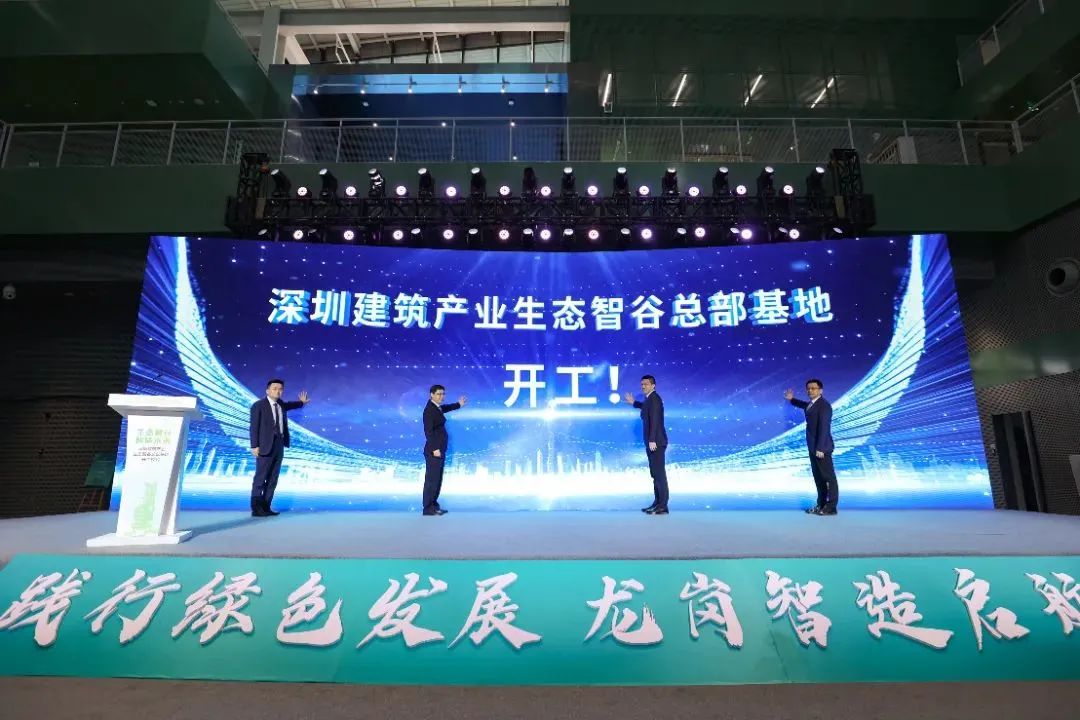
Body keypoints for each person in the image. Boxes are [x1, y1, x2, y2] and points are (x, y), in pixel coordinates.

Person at [249, 379, 309, 517]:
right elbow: (254, 427)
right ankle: (257, 509)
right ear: (268, 391)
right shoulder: (258, 405)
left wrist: (301, 403)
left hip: (279, 445)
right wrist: (254, 445)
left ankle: (266, 507)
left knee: (273, 478)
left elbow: (289, 405)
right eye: (274, 388)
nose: (278, 391)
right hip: (264, 446)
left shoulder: (280, 404)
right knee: (260, 478)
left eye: (280, 389)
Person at [784, 379, 837, 515]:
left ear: (820, 390)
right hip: (813, 448)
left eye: (813, 388)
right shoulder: (812, 404)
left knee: (828, 478)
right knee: (819, 478)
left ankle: (831, 507)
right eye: (808, 388)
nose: (810, 390)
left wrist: (820, 448)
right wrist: (792, 399)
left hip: (821, 449)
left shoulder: (824, 406)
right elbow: (804, 405)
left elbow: (824, 428)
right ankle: (821, 505)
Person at [624, 374, 669, 514]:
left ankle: (663, 505)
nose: (643, 386)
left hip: (656, 442)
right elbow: (646, 407)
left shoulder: (654, 398)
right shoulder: (650, 399)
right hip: (653, 442)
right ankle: (658, 503)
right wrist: (634, 403)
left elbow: (655, 420)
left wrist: (652, 439)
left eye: (646, 384)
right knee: (655, 474)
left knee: (659, 475)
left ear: (653, 385)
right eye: (642, 384)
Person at [422, 384, 467, 516]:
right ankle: (428, 508)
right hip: (434, 451)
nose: (441, 396)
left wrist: (458, 404)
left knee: (437, 479)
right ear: (431, 394)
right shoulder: (429, 410)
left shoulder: (436, 407)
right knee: (431, 480)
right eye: (438, 394)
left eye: (443, 394)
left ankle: (434, 506)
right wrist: (435, 448)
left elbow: (445, 408)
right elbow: (428, 431)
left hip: (440, 449)